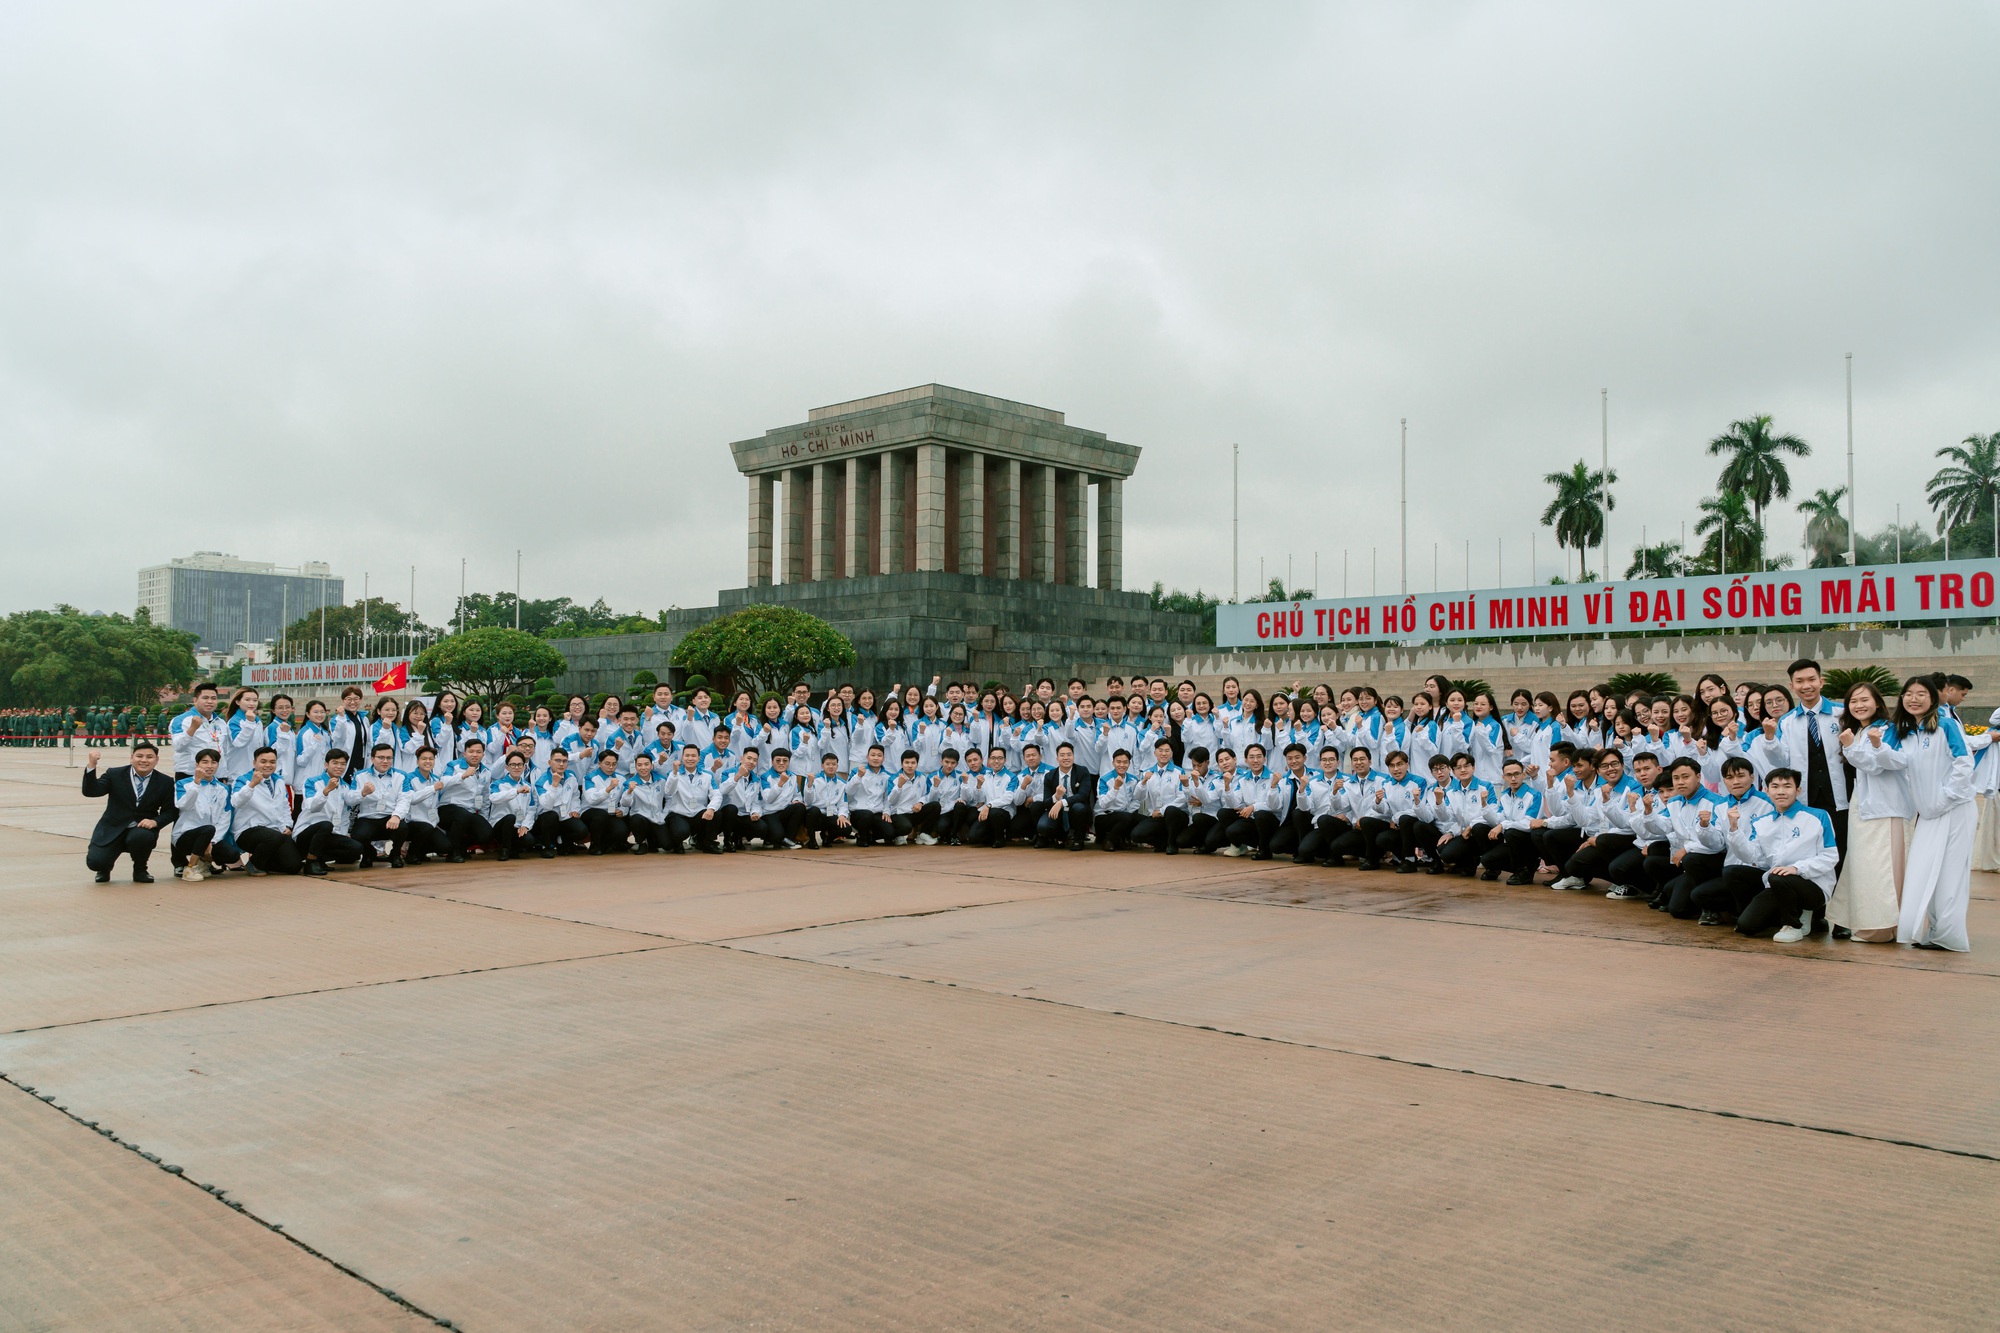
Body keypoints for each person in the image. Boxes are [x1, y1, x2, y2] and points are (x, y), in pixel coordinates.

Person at [1884, 676, 1975, 951]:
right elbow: (1892, 761)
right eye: (1908, 694)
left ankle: (1947, 935)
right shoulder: (1905, 732)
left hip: (1955, 809)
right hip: (1928, 814)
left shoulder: (1946, 725)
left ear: (1933, 698)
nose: (1914, 699)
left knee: (1950, 874)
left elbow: (1964, 764)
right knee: (1922, 871)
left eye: (1921, 693)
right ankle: (1932, 930)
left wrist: (1945, 798)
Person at [1826, 682, 1912, 943]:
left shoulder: (1887, 729)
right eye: (1853, 701)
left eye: (1864, 700)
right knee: (1864, 868)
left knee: (1883, 868)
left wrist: (1853, 747)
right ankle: (1870, 923)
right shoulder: (1859, 731)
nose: (1859, 705)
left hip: (1886, 809)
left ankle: (1882, 927)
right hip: (1862, 806)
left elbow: (1878, 766)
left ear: (1877, 702)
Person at [1723, 767, 1838, 943]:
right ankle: (1784, 913)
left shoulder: (1818, 816)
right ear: (1766, 790)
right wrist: (1734, 829)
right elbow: (1751, 856)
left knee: (1777, 876)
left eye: (1787, 786)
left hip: (1813, 884)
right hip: (1778, 883)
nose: (1781, 792)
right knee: (1746, 925)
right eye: (1775, 786)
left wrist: (1797, 869)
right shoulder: (1762, 822)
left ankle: (1794, 925)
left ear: (1798, 790)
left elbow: (1830, 856)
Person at [81, 742, 174, 882]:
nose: (144, 760)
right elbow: (91, 791)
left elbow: (171, 811)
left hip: (141, 828)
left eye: (149, 757)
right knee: (96, 862)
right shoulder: (115, 774)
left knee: (142, 837)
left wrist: (155, 821)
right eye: (139, 756)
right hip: (112, 827)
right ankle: (104, 868)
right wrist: (91, 766)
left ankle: (140, 870)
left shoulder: (165, 782)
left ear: (157, 760)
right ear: (131, 758)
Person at [229, 746, 302, 875]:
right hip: (248, 830)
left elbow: (285, 806)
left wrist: (287, 825)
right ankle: (254, 864)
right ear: (254, 763)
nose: (268, 765)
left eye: (272, 762)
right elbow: (236, 802)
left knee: (294, 866)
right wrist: (252, 785)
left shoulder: (278, 781)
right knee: (272, 837)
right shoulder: (243, 780)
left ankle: (264, 861)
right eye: (263, 761)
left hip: (276, 831)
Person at [296, 748, 365, 875]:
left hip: (328, 833)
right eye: (335, 763)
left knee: (356, 848)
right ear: (326, 764)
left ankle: (320, 858)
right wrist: (325, 791)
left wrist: (362, 793)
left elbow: (346, 808)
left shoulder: (344, 785)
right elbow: (311, 806)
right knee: (325, 825)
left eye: (343, 764)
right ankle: (310, 862)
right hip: (307, 831)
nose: (339, 766)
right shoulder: (312, 782)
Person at [1037, 742, 1094, 850]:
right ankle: (1060, 838)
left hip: (1075, 808)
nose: (1066, 758)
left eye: (1069, 754)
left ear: (1073, 756)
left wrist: (1061, 802)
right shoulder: (1050, 776)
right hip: (1058, 811)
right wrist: (1056, 796)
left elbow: (1083, 795)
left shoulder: (1082, 771)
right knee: (1043, 826)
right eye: (1062, 755)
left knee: (1079, 808)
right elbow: (1046, 802)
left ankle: (1078, 840)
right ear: (1057, 758)